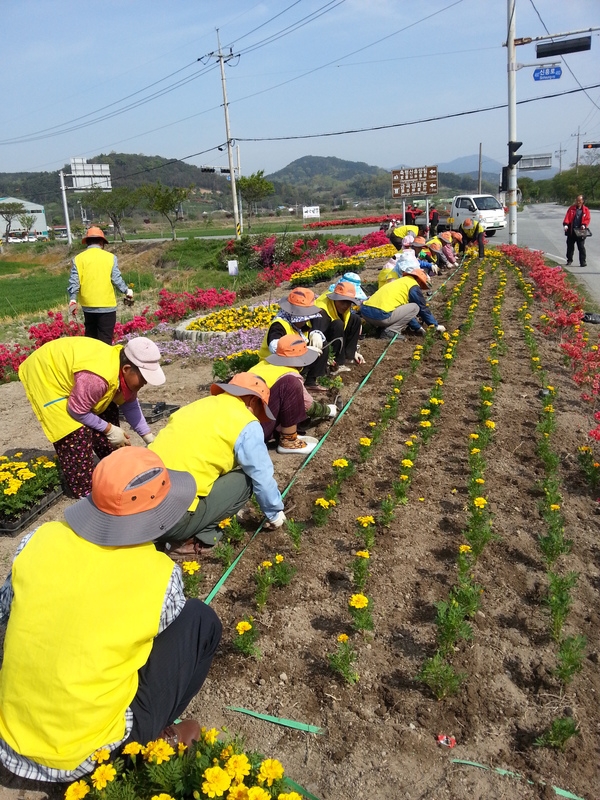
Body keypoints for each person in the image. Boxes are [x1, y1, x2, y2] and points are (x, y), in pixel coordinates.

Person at [0, 447, 221, 782]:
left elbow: (6, 614)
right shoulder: (160, 574)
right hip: (89, 755)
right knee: (200, 621)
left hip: (10, 739)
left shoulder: (38, 539)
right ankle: (152, 738)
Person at [149, 372, 286, 556]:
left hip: (139, 507)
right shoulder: (246, 422)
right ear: (253, 401)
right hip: (171, 520)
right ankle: (194, 539)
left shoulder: (196, 406)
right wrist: (275, 513)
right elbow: (261, 475)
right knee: (246, 480)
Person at [18, 336, 162, 498]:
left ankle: (112, 463)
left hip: (80, 377)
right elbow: (77, 410)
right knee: (74, 434)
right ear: (126, 369)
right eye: (144, 378)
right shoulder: (98, 379)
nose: (145, 383)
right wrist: (108, 429)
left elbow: (129, 404)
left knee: (106, 408)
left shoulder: (119, 370)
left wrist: (148, 437)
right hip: (47, 373)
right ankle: (84, 491)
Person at [250, 334, 337, 454]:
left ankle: (281, 432)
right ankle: (289, 441)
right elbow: (308, 406)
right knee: (291, 387)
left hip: (241, 419)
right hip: (254, 429)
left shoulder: (262, 365)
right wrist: (329, 410)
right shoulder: (289, 374)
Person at [68, 226, 133, 345]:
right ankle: (104, 363)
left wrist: (73, 299)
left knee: (91, 340)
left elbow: (74, 281)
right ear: (101, 242)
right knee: (105, 340)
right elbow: (116, 279)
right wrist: (126, 290)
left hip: (88, 306)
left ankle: (91, 362)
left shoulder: (78, 259)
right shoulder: (110, 258)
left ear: (87, 242)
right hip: (107, 305)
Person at [258, 287, 328, 392]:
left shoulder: (299, 325)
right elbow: (275, 347)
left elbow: (318, 320)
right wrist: (303, 349)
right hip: (274, 363)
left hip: (292, 361)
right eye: (303, 318)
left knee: (322, 343)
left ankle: (310, 381)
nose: (306, 321)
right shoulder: (279, 325)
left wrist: (315, 333)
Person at [315, 281, 365, 375]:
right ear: (335, 299)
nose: (345, 305)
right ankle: (337, 362)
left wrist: (353, 351)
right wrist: (328, 357)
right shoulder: (322, 312)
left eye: (349, 302)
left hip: (335, 333)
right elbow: (318, 338)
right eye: (342, 301)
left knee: (355, 319)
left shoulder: (340, 308)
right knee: (338, 324)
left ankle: (349, 355)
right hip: (323, 341)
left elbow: (347, 323)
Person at [563, 195, 591, 267]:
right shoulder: (571, 209)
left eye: (579, 200)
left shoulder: (586, 210)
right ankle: (569, 260)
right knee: (570, 247)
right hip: (572, 231)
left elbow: (587, 219)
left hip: (580, 231)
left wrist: (584, 225)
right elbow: (567, 217)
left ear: (583, 201)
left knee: (581, 247)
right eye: (577, 200)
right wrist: (566, 224)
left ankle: (582, 262)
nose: (578, 202)